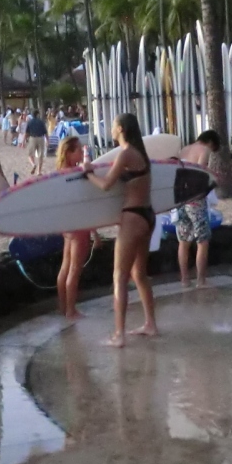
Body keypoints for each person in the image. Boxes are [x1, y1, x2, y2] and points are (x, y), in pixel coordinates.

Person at [83, 113, 158, 347]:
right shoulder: (140, 153)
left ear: (121, 129)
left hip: (133, 217)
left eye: (113, 126)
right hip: (148, 216)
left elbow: (106, 185)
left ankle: (119, 335)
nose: (111, 129)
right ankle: (150, 324)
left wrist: (88, 173)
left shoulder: (125, 153)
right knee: (139, 274)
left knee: (120, 276)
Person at [55, 137, 96, 320]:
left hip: (67, 225)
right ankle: (71, 311)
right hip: (79, 225)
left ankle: (63, 307)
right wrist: (94, 232)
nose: (81, 152)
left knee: (65, 267)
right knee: (74, 269)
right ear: (69, 153)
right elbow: (84, 203)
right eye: (78, 150)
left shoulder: (59, 173)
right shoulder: (75, 174)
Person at [176, 130, 221, 287]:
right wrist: (213, 179)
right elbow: (199, 173)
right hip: (195, 200)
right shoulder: (204, 150)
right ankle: (201, 280)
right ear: (210, 142)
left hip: (180, 200)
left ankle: (184, 279)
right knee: (202, 241)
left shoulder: (183, 150)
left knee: (183, 241)